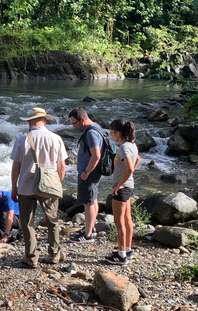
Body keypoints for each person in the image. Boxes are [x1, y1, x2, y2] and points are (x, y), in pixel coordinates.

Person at [10, 107, 67, 268]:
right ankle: (54, 255)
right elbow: (61, 166)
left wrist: (14, 187)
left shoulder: (22, 139)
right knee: (52, 221)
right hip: (49, 186)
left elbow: (16, 167)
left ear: (29, 121)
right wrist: (58, 186)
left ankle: (31, 257)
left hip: (26, 186)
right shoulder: (55, 138)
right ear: (45, 120)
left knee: (27, 223)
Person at [105, 120, 141, 265]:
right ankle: (128, 249)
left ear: (118, 133)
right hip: (129, 186)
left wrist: (118, 185)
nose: (111, 136)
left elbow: (130, 168)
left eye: (111, 133)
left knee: (119, 222)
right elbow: (138, 159)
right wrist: (128, 177)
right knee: (127, 220)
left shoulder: (124, 148)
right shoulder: (132, 145)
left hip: (123, 188)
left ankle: (121, 256)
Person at [68, 107, 103, 243]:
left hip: (89, 173)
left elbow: (96, 155)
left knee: (88, 203)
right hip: (91, 172)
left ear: (82, 119)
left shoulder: (91, 133)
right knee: (92, 200)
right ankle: (91, 227)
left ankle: (88, 234)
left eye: (74, 123)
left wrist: (86, 172)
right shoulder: (96, 128)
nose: (73, 126)